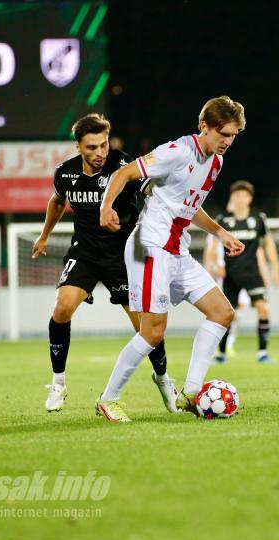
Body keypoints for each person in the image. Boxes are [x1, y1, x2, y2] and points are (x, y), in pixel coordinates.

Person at [96, 95, 246, 423]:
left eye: (234, 135)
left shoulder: (216, 163)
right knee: (152, 333)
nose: (228, 141)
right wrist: (106, 207)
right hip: (150, 247)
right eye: (223, 133)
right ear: (203, 127)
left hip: (177, 250)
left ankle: (191, 393)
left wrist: (221, 233)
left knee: (222, 313)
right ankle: (109, 399)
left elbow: (189, 207)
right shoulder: (177, 152)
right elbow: (124, 174)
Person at [32, 113, 173, 413]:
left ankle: (163, 379)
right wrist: (45, 236)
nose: (99, 153)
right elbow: (57, 202)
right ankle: (58, 383)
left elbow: (149, 192)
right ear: (78, 147)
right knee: (62, 308)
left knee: (146, 329)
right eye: (91, 147)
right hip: (85, 253)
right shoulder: (66, 173)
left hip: (123, 257)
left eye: (103, 145)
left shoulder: (123, 165)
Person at [205, 180, 279, 364]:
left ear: (249, 198)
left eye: (243, 195)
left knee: (263, 308)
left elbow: (268, 243)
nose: (240, 198)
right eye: (236, 195)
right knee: (226, 315)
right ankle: (221, 353)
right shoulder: (223, 219)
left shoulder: (258, 218)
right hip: (231, 275)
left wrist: (275, 267)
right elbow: (212, 247)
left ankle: (262, 352)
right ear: (232, 197)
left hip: (252, 273)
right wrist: (216, 266)